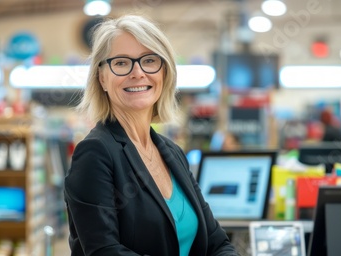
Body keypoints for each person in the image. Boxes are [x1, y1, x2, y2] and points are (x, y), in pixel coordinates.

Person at [64, 15, 239, 256]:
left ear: (164, 73)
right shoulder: (95, 153)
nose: (138, 72)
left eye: (149, 60)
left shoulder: (172, 153)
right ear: (102, 77)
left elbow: (217, 243)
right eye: (122, 63)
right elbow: (105, 251)